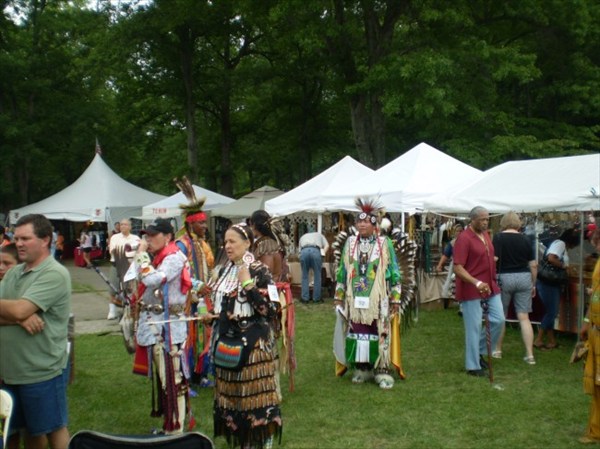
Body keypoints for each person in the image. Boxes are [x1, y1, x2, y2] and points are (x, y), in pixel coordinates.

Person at [0, 213, 71, 449]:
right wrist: (19, 318)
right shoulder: (13, 273)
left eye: (25, 238)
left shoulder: (54, 273)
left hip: (41, 370)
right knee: (24, 429)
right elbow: (19, 313)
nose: (18, 243)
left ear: (45, 240)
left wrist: (19, 313)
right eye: (16, 237)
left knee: (52, 428)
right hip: (9, 371)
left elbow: (20, 309)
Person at [208, 223, 282, 448]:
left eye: (232, 241)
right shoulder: (224, 271)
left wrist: (248, 285)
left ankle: (260, 439)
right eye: (225, 242)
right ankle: (242, 439)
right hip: (228, 344)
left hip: (254, 347)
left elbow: (271, 310)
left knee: (253, 397)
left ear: (248, 243)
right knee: (233, 397)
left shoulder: (260, 270)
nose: (227, 246)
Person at [333, 198, 404, 389]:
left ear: (375, 225)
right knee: (358, 331)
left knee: (379, 331)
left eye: (366, 222)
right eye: (359, 221)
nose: (362, 224)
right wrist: (339, 296)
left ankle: (382, 370)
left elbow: (394, 270)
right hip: (355, 297)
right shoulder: (350, 243)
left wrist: (396, 297)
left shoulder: (384, 243)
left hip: (378, 298)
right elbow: (342, 271)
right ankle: (362, 368)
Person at [133, 218, 192, 434]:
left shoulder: (174, 257)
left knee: (172, 382)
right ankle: (170, 425)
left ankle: (175, 430)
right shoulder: (160, 257)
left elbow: (152, 280)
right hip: (158, 325)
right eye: (146, 235)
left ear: (167, 237)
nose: (148, 239)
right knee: (165, 380)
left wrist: (141, 256)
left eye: (152, 235)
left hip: (168, 329)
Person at [452, 206, 504, 377]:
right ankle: (473, 365)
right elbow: (458, 268)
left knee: (498, 320)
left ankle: (479, 350)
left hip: (491, 286)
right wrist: (476, 282)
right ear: (472, 219)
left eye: (487, 219)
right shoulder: (464, 238)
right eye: (482, 219)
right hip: (471, 289)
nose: (485, 222)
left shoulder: (486, 235)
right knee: (474, 327)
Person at [174, 177, 215, 388]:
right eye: (201, 222)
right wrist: (197, 285)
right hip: (188, 300)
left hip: (203, 299)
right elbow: (181, 271)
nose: (204, 226)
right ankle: (186, 379)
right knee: (189, 338)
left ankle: (201, 375)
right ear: (191, 223)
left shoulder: (200, 244)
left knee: (205, 335)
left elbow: (207, 267)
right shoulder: (181, 245)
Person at [492, 211, 537, 364]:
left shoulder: (498, 238)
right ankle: (530, 354)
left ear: (503, 222)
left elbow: (494, 259)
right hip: (524, 277)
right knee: (524, 317)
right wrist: (533, 284)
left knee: (501, 316)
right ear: (518, 223)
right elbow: (533, 264)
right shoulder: (526, 239)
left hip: (504, 277)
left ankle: (497, 350)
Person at [534, 228, 580, 350]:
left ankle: (551, 340)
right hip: (549, 282)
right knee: (552, 312)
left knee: (550, 311)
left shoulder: (558, 243)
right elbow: (551, 258)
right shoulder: (560, 244)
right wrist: (564, 266)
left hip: (549, 282)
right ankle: (538, 340)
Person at [579, 228, 600, 444]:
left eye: (597, 241)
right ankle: (595, 430)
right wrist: (586, 320)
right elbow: (596, 294)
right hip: (596, 330)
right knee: (597, 383)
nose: (595, 246)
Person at [107, 219, 140, 320]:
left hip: (131, 266)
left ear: (130, 227)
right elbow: (113, 250)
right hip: (117, 264)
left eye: (125, 225)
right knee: (113, 286)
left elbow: (139, 251)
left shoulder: (136, 238)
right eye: (121, 224)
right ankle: (112, 310)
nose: (123, 226)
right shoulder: (115, 237)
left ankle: (131, 309)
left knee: (131, 289)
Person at [249, 209, 290, 282]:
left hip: (268, 289)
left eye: (250, 225)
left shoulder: (266, 246)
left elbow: (266, 273)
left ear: (254, 225)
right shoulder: (270, 242)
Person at [435, 221, 465, 300]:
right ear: (454, 232)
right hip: (455, 265)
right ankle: (450, 296)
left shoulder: (467, 242)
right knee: (452, 280)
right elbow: (445, 255)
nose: (459, 233)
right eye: (457, 231)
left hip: (466, 265)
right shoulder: (452, 243)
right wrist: (439, 265)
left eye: (461, 231)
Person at [298, 230, 329, 304]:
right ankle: (316, 298)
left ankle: (305, 298)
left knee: (305, 276)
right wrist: (322, 255)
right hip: (315, 250)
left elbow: (299, 251)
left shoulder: (302, 236)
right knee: (317, 275)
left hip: (304, 250)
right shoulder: (320, 235)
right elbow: (327, 246)